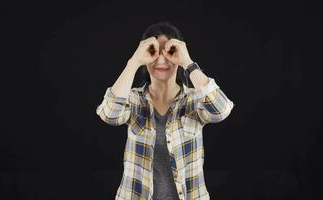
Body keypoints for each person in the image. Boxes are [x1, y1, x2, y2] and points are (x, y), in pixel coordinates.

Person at [96, 21, 235, 200]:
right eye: (153, 52)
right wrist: (134, 61)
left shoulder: (194, 99)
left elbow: (221, 110)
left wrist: (187, 62)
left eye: (169, 52)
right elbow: (109, 114)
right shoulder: (133, 99)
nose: (161, 60)